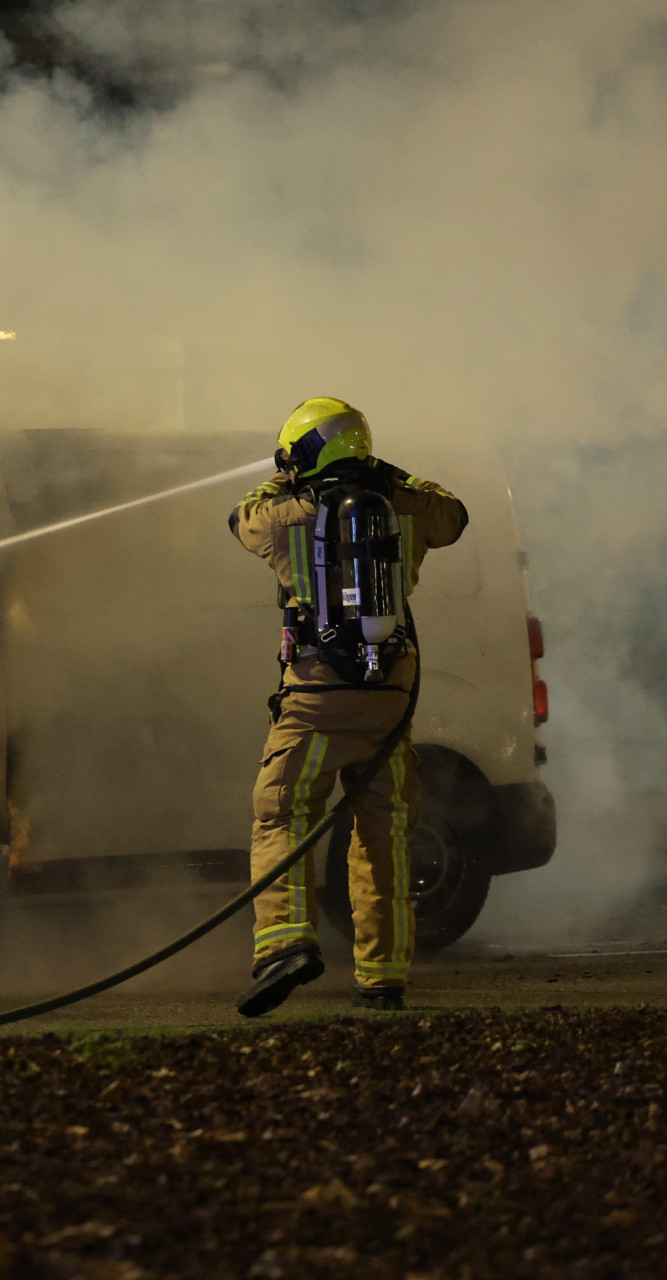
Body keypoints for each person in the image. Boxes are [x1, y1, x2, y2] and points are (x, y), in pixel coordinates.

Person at [229, 397, 468, 1016]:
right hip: (389, 692)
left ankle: (285, 945)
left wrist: (283, 477)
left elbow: (241, 519)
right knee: (383, 832)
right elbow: (455, 517)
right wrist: (392, 475)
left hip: (317, 691)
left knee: (284, 810)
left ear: (306, 453)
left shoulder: (287, 513)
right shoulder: (404, 505)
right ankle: (382, 977)